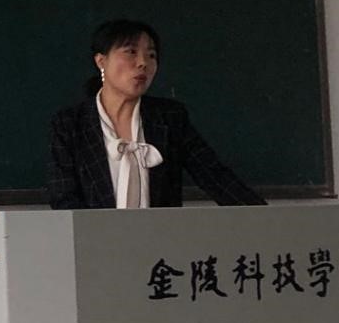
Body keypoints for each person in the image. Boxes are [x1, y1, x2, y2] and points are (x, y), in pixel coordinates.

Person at [47, 19, 266, 209]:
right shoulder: (70, 124)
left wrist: (269, 219)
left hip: (161, 241)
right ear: (101, 61)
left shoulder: (169, 117)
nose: (143, 63)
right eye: (131, 52)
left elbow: (214, 176)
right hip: (93, 241)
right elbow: (63, 198)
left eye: (151, 55)